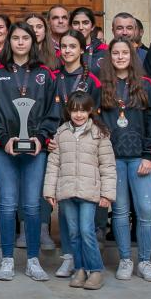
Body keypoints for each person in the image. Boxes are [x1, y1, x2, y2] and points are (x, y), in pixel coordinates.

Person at [0, 22, 58, 282]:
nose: (20, 42)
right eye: (15, 37)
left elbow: (53, 113)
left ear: (33, 41)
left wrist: (40, 138)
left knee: (31, 205)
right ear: (8, 41)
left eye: (25, 38)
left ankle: (33, 260)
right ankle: (6, 260)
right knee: (6, 203)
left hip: (35, 150)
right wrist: (4, 139)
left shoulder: (45, 75)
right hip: (3, 149)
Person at [99, 39, 151, 282]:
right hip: (113, 159)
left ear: (132, 56)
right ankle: (125, 259)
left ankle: (144, 261)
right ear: (109, 56)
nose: (121, 56)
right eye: (116, 52)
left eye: (125, 53)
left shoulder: (146, 85)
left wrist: (149, 155)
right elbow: (96, 120)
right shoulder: (102, 85)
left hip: (140, 159)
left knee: (145, 210)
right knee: (121, 211)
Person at [43, 92, 116, 290]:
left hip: (88, 192)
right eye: (74, 110)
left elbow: (107, 166)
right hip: (66, 192)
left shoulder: (99, 133)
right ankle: (79, 268)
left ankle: (95, 271)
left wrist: (107, 194)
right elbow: (53, 164)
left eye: (83, 110)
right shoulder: (61, 133)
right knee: (73, 233)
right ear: (68, 111)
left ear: (90, 111)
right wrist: (50, 191)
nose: (78, 114)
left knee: (86, 231)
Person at [48, 28, 103, 276]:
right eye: (64, 47)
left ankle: (90, 263)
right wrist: (50, 137)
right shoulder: (52, 77)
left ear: (82, 49)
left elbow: (99, 115)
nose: (68, 51)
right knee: (65, 204)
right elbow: (48, 111)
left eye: (73, 46)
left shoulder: (93, 79)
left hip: (86, 148)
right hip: (60, 146)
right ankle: (69, 257)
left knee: (85, 214)